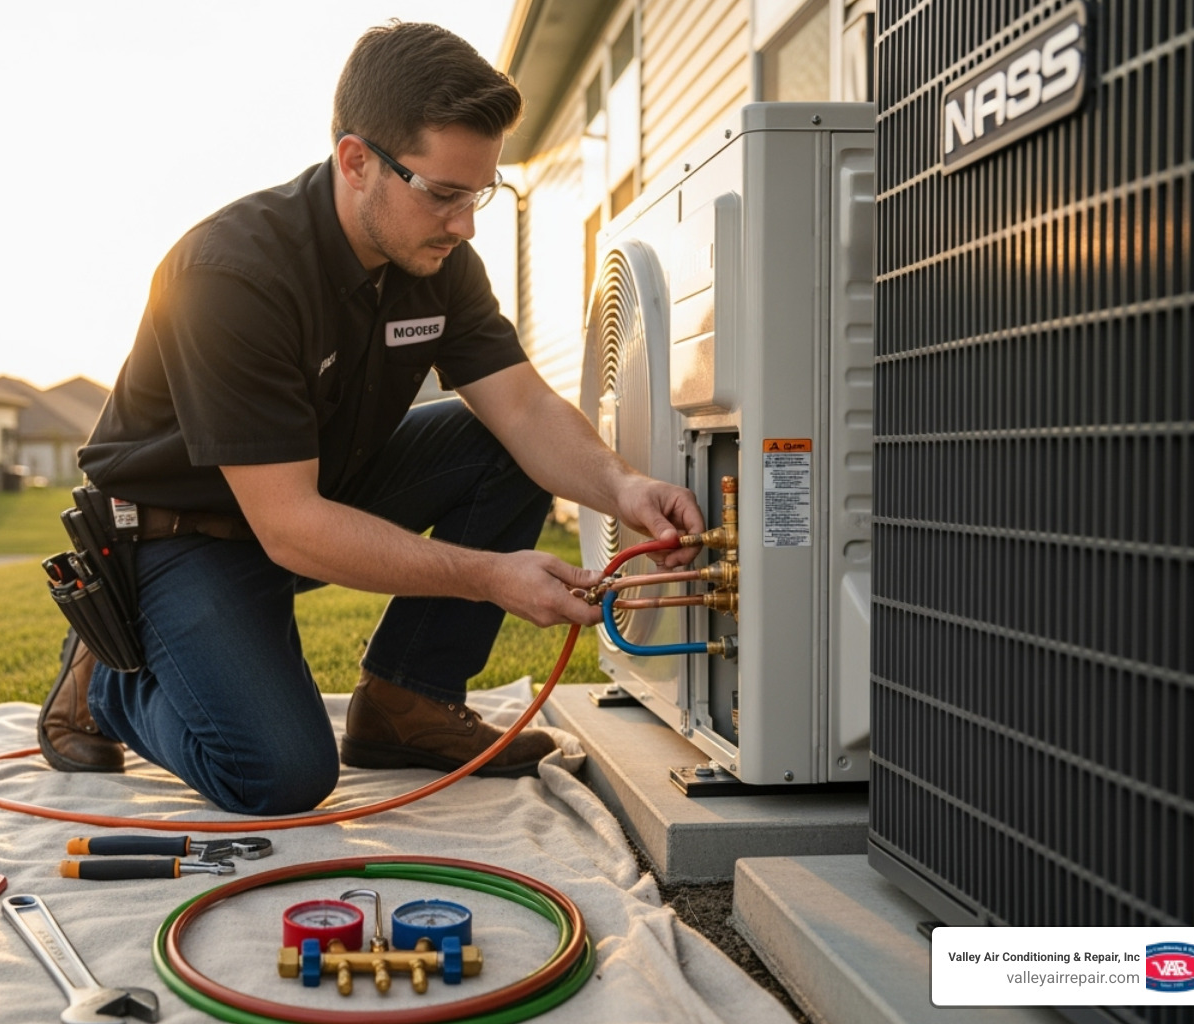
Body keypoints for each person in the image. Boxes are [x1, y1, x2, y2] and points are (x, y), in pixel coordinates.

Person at [37, 21, 703, 816]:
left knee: (499, 447)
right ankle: (111, 681)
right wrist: (491, 577)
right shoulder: (232, 274)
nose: (466, 224)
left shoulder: (438, 260)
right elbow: (289, 528)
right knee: (278, 776)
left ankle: (405, 703)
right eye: (445, 193)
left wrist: (621, 488)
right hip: (179, 537)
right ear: (357, 161)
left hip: (315, 494)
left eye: (479, 192)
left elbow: (521, 407)